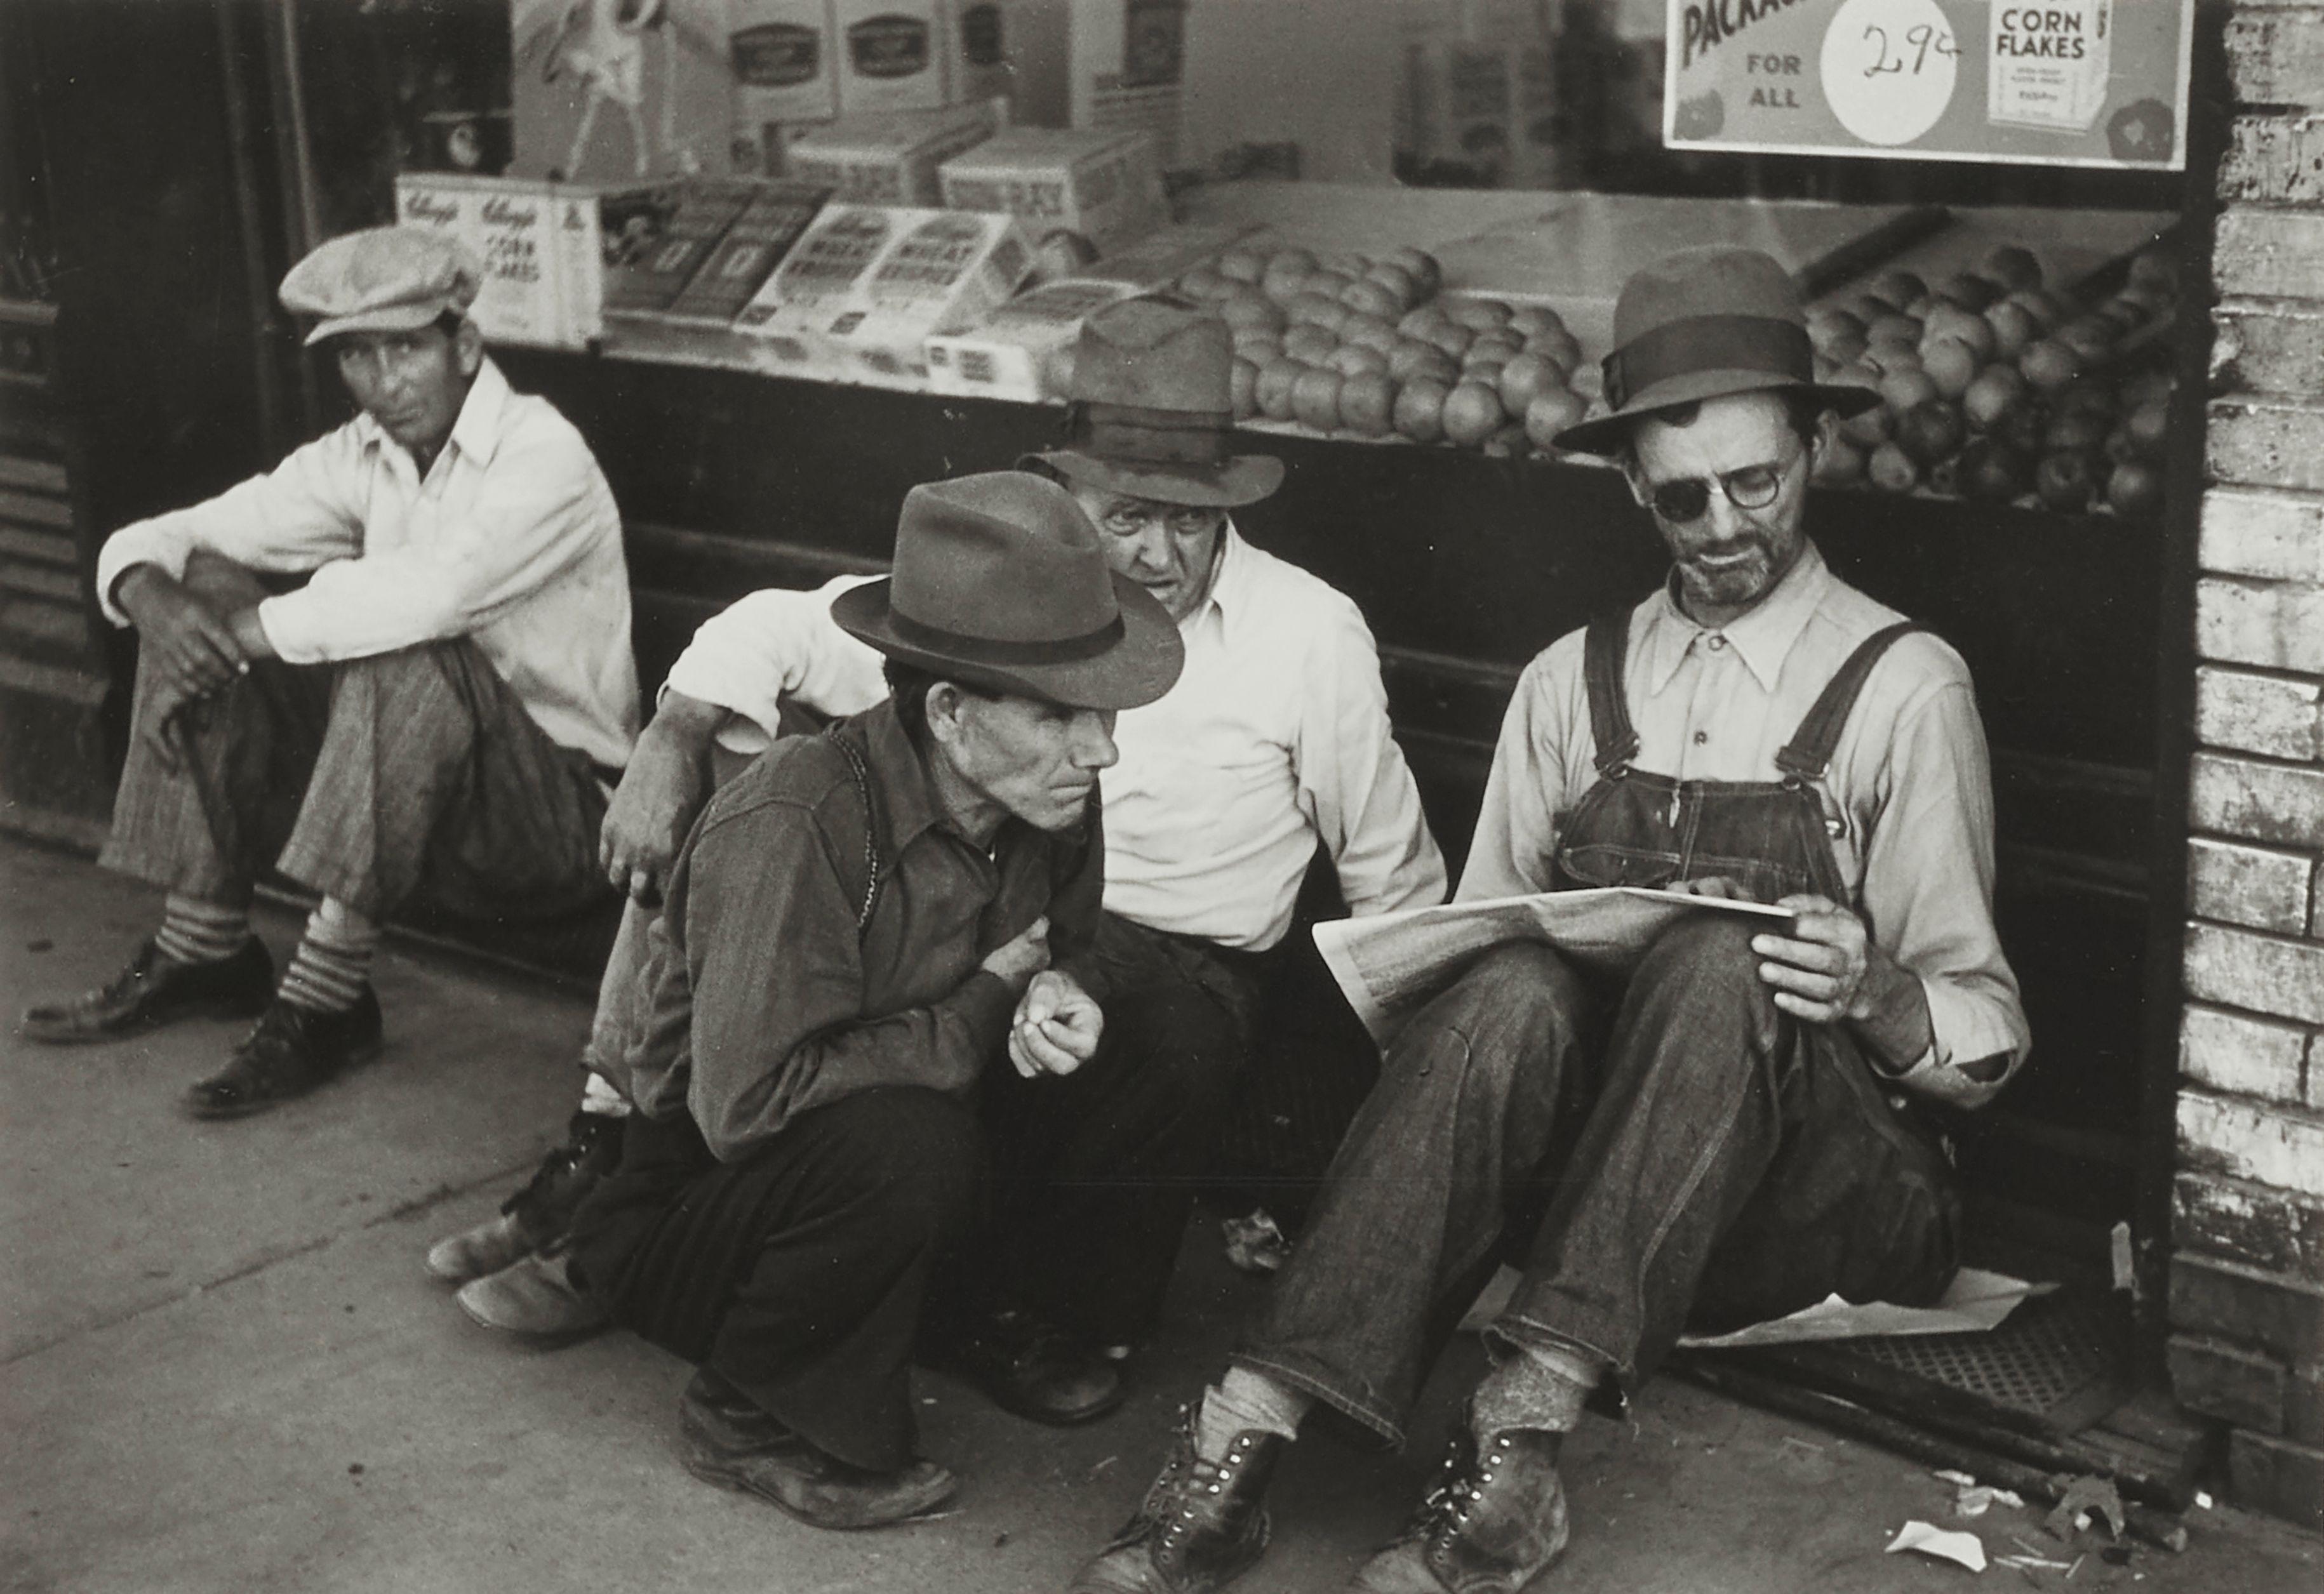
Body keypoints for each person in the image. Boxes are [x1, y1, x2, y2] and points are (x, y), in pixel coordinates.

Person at [1065, 246, 2031, 1594]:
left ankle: (1516, 1447)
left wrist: (1875, 991)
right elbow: (1471, 995)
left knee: (1719, 954)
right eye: (1683, 495)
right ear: (1634, 483)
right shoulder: (1567, 683)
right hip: (1606, 1218)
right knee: (1508, 986)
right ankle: (1241, 1439)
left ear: (1816, 447)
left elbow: (1987, 1045)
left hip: (1823, 1212)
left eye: (1758, 480)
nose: (1723, 526)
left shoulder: (1904, 686)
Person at [433, 298, 1448, 1423]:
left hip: (1173, 957)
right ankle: (618, 1167)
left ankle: (1026, 1315)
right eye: (1128, 520)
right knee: (750, 829)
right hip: (986, 900)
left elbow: (1393, 878)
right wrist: (670, 735)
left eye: (1191, 523)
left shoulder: (1312, 633)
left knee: (1160, 1028)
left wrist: (1385, 1133)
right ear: (1067, 498)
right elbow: (777, 622)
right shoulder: (1008, 592)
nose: (1160, 554)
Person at [560, 470, 1182, 1530]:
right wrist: (986, 1007)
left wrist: (1059, 989)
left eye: (1106, 713)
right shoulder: (796, 822)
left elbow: (1067, 944)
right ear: (948, 712)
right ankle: (740, 1413)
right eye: (1061, 716)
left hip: (866, 1164)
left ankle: (972, 1310)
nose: (1103, 748)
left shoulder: (1049, 789)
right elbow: (745, 1108)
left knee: (1167, 1023)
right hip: (698, 1210)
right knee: (908, 1144)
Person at [20, 227, 634, 1119]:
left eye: (407, 349)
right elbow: (195, 529)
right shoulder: (366, 453)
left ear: (463, 346)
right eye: (357, 355)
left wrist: (244, 633)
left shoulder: (546, 456)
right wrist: (146, 592)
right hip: (417, 797)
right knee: (199, 584)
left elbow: (431, 598)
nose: (384, 383)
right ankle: (205, 945)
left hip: (558, 818)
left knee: (396, 644)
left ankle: (327, 997)